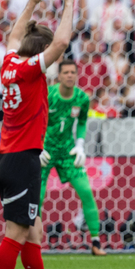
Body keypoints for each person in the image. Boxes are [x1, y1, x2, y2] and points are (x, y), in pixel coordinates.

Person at [0, 0, 80, 269]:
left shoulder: (10, 62)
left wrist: (33, 0)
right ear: (39, 55)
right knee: (17, 230)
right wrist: (69, 1)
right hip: (21, 159)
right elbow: (61, 42)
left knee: (34, 228)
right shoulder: (29, 70)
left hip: (11, 156)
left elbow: (14, 34)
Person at [39, 59, 106, 256]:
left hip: (68, 151)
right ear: (59, 76)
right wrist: (38, 147)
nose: (69, 75)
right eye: (65, 72)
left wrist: (80, 144)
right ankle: (33, 244)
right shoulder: (48, 94)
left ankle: (95, 242)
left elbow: (83, 121)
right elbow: (36, 119)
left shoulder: (82, 98)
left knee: (86, 191)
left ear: (76, 75)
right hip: (46, 150)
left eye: (72, 72)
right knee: (37, 198)